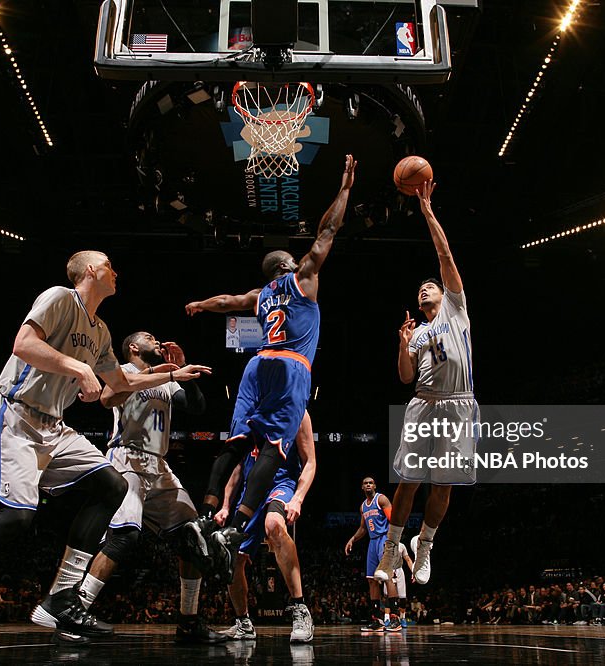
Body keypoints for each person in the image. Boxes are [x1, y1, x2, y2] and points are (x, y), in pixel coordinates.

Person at [0, 251, 211, 649]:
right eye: (109, 264)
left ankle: (62, 596)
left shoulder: (102, 332)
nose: (116, 271)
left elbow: (115, 387)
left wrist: (175, 373)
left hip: (54, 427)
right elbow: (23, 344)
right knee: (15, 519)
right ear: (91, 271)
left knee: (111, 485)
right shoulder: (59, 297)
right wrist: (78, 368)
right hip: (16, 415)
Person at [183, 155, 357, 580]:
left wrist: (199, 305)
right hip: (290, 366)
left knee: (237, 441)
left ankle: (207, 517)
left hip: (255, 365)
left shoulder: (261, 295)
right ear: (289, 264)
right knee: (276, 448)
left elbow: (226, 303)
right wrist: (346, 189)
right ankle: (238, 525)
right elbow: (327, 231)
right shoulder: (304, 278)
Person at [61, 331, 222, 644]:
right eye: (149, 336)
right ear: (134, 347)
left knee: (194, 537)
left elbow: (196, 407)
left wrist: (182, 369)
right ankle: (74, 613)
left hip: (159, 466)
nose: (157, 339)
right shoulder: (125, 371)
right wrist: (161, 372)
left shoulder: (166, 378)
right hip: (127, 457)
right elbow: (108, 397)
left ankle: (188, 622)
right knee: (124, 536)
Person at [375, 180, 477, 587]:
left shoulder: (456, 310)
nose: (424, 288)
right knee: (409, 481)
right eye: (421, 289)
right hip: (423, 404)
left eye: (429, 285)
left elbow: (445, 254)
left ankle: (425, 544)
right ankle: (392, 545)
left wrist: (427, 209)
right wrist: (402, 345)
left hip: (458, 403)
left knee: (444, 484)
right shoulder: (416, 333)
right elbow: (403, 377)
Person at [216, 412, 316, 643]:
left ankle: (300, 609)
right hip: (251, 493)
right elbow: (237, 466)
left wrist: (298, 498)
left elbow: (310, 461)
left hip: (281, 484)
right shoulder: (246, 410)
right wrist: (225, 505)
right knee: (232, 556)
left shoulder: (298, 410)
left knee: (273, 524)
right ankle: (243, 623)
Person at [344, 478, 401, 632]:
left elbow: (394, 519)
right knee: (371, 580)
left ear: (375, 486)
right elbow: (363, 528)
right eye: (365, 483)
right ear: (362, 487)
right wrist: (353, 539)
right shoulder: (363, 506)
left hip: (384, 539)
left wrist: (391, 541)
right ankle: (377, 619)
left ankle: (395, 618)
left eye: (371, 482)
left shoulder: (381, 499)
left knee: (388, 577)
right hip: (372, 542)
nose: (368, 484)